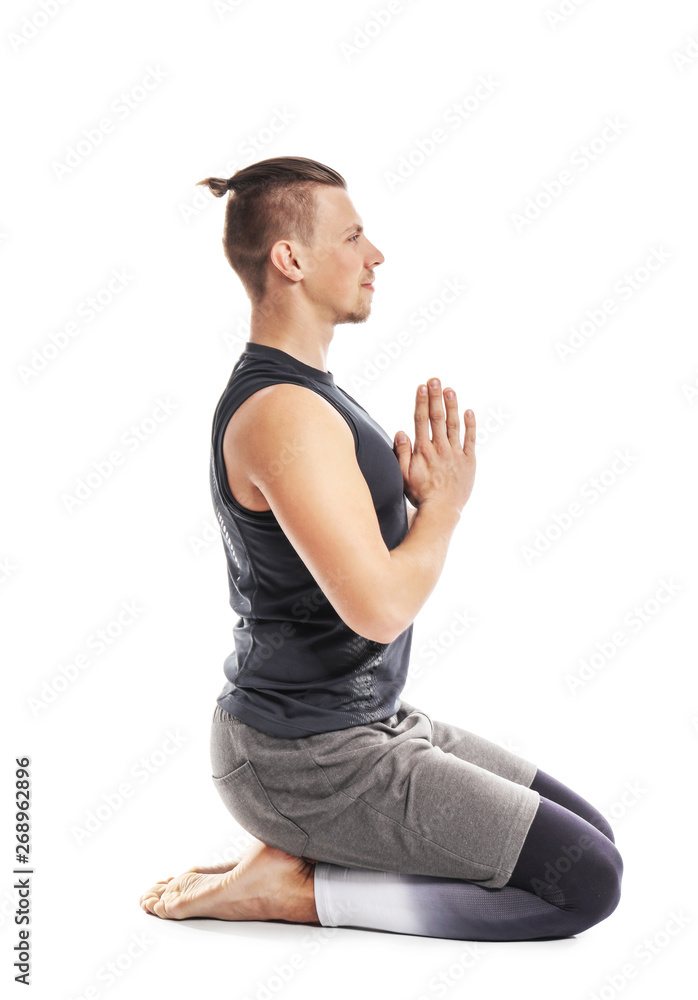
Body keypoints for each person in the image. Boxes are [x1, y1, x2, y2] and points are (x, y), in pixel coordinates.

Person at [139, 156, 623, 940]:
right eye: (353, 236)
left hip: (368, 723)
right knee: (586, 887)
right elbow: (377, 609)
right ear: (289, 260)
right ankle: (291, 892)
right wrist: (445, 510)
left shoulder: (308, 393)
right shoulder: (282, 413)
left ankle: (303, 864)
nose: (376, 255)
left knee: (589, 840)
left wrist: (417, 503)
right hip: (306, 760)